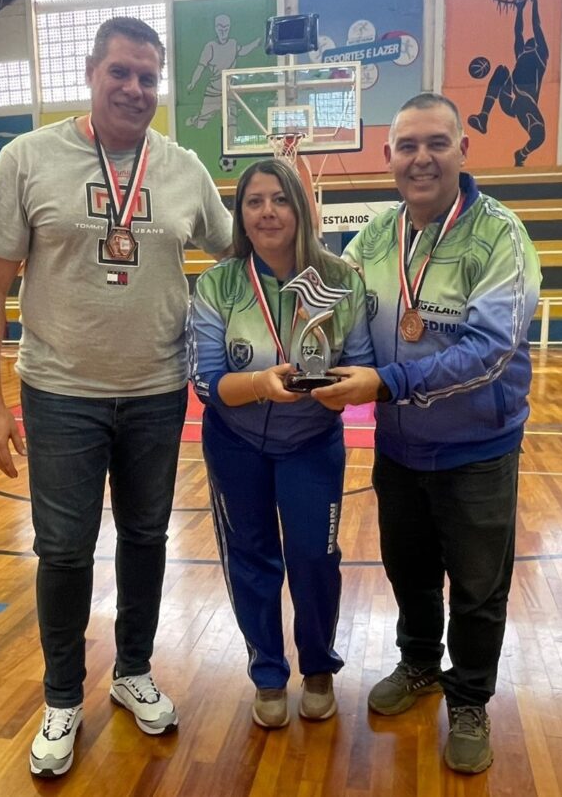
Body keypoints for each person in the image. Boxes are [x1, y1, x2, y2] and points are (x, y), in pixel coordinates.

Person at [0, 17, 233, 779]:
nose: (135, 89)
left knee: (147, 540)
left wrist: (296, 207)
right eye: (121, 72)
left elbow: (244, 251)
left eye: (148, 77)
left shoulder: (182, 168)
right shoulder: (28, 158)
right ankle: (60, 698)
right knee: (65, 550)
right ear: (90, 72)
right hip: (60, 396)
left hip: (156, 393)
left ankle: (134, 669)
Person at [312, 92, 541, 774]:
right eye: (407, 145)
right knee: (408, 570)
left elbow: (490, 351)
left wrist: (384, 383)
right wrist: (308, 352)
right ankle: (419, 664)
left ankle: (469, 699)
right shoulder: (378, 237)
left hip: (478, 449)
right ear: (387, 158)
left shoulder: (500, 236)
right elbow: (344, 315)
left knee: (476, 585)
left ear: (462, 149)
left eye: (436, 143)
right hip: (400, 449)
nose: (421, 158)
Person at [188, 158, 373, 728]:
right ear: (240, 215)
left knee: (315, 559)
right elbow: (206, 381)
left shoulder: (341, 280)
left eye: (280, 199)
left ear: (300, 207)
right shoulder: (218, 283)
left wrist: (331, 392)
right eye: (254, 202)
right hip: (236, 443)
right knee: (251, 560)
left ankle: (317, 668)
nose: (267, 212)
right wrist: (261, 385)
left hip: (312, 442)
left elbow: (362, 370)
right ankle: (268, 673)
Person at [466, 0, 548, 167]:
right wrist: (519, 10)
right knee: (502, 70)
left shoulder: (540, 55)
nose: (525, 45)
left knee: (539, 136)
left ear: (534, 46)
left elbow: (536, 26)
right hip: (511, 101)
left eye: (528, 44)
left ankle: (521, 154)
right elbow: (518, 32)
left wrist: (535, 3)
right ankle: (483, 117)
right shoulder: (521, 54)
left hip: (526, 102)